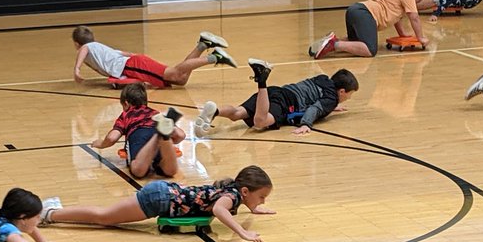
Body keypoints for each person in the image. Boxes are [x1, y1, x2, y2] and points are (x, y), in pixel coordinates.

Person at [40, 165, 274, 242]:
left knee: (105, 215)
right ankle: (50, 213)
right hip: (159, 199)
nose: (263, 201)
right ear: (245, 191)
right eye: (261, 197)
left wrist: (253, 207)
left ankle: (53, 211)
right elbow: (219, 209)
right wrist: (242, 232)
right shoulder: (232, 196)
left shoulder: (235, 190)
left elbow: (228, 202)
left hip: (163, 193)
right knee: (103, 217)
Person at [196, 60, 359, 136]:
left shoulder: (323, 79)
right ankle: (262, 79)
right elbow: (315, 108)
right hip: (287, 103)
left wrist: (331, 106)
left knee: (237, 113)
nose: (349, 98)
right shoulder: (331, 99)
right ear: (342, 91)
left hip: (275, 92)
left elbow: (317, 98)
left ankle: (215, 111)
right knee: (260, 122)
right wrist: (306, 124)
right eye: (350, 94)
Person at [309, 0, 428, 59]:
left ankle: (327, 43)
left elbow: (397, 17)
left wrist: (402, 34)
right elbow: (414, 18)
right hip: (366, 14)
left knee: (355, 41)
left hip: (354, 9)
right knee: (370, 50)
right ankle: (334, 44)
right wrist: (421, 38)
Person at [71, 26, 237, 88]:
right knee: (180, 80)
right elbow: (126, 53)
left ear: (76, 44)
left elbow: (85, 49)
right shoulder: (100, 49)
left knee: (174, 73)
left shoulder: (88, 47)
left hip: (133, 65)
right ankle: (203, 44)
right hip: (132, 66)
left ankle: (214, 57)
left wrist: (77, 69)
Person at [92, 84, 185, 179]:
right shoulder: (155, 113)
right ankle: (161, 136)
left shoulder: (126, 115)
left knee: (138, 171)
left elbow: (112, 138)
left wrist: (101, 144)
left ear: (126, 104)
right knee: (170, 171)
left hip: (138, 134)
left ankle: (157, 136)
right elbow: (180, 135)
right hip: (155, 128)